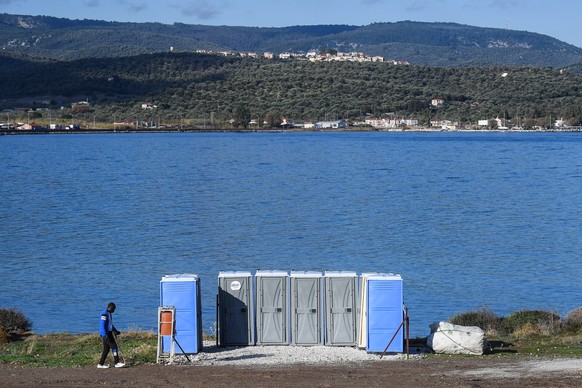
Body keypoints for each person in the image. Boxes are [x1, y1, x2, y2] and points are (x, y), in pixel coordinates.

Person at [97, 302, 125, 368]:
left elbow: (110, 325)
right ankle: (117, 362)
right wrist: (104, 335)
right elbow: (102, 325)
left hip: (109, 333)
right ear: (109, 308)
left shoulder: (109, 314)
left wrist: (115, 331)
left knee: (106, 349)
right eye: (113, 309)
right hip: (106, 334)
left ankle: (100, 364)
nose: (114, 311)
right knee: (114, 347)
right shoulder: (104, 314)